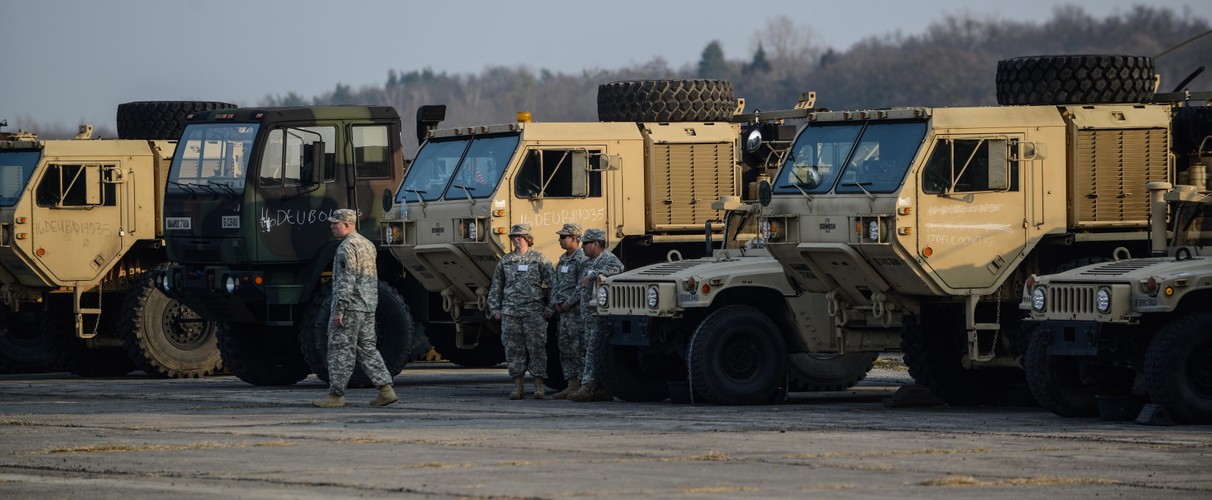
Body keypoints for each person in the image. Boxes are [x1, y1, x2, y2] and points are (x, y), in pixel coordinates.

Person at [312, 208, 398, 408]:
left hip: (350, 307)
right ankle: (386, 390)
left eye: (336, 223)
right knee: (367, 349)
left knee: (340, 350)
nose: (332, 226)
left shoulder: (346, 247)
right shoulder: (367, 245)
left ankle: (336, 395)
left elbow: (346, 280)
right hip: (367, 306)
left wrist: (340, 309)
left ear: (348, 225)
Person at [487, 223, 556, 399]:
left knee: (537, 349)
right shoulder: (506, 261)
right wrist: (495, 308)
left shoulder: (539, 259)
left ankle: (539, 385)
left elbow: (554, 283)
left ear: (528, 239)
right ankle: (518, 385)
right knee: (513, 350)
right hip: (510, 313)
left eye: (520, 236)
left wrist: (551, 307)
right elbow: (496, 286)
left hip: (533, 312)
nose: (516, 239)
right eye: (514, 237)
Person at [567, 228, 625, 403]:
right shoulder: (588, 262)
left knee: (592, 352)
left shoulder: (609, 259)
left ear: (596, 244)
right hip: (587, 318)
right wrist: (568, 303)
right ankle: (601, 389)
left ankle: (587, 387)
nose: (583, 247)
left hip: (598, 318)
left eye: (586, 243)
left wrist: (594, 275)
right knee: (588, 351)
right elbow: (580, 287)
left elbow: (618, 269)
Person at [547, 223, 588, 399]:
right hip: (563, 313)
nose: (560, 240)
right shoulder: (563, 260)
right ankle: (571, 384)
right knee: (565, 348)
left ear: (574, 239)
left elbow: (581, 286)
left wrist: (569, 303)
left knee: (579, 348)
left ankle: (583, 384)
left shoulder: (582, 259)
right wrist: (554, 304)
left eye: (564, 237)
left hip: (576, 312)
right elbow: (555, 284)